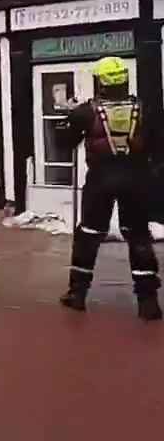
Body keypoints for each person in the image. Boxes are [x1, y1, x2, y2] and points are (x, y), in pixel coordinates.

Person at [59, 56, 162, 320]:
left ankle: (77, 294)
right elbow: (157, 144)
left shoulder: (86, 111)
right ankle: (148, 302)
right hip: (137, 178)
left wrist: (70, 116)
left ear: (101, 82)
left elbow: (64, 143)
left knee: (89, 234)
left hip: (100, 180)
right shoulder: (145, 108)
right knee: (138, 235)